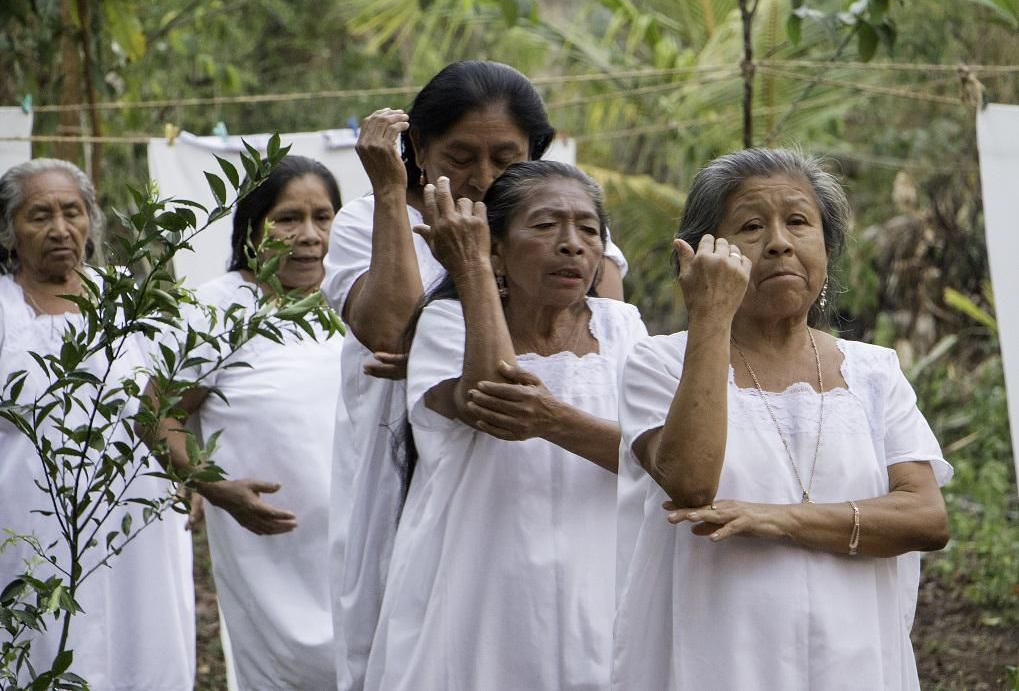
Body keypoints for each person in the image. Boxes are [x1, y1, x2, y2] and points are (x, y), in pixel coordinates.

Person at [322, 59, 630, 689]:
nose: (482, 178)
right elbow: (389, 326)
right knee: (410, 625)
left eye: (505, 156)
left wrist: (448, 352)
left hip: (557, 484)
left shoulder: (564, 228)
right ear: (418, 149)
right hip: (409, 463)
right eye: (460, 156)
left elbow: (600, 338)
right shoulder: (370, 219)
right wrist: (389, 192)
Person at [612, 148, 952, 690]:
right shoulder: (659, 363)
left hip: (856, 661)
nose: (778, 242)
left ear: (827, 246)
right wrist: (711, 316)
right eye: (751, 226)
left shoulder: (873, 371)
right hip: (718, 661)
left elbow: (926, 518)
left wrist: (782, 519)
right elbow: (693, 482)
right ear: (702, 253)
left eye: (798, 221)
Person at [362, 162, 645, 690]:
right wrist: (469, 269)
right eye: (545, 226)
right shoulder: (449, 323)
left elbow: (655, 458)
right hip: (479, 595)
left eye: (589, 230)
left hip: (598, 589)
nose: (572, 245)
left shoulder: (622, 328)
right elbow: (491, 401)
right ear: (496, 249)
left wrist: (556, 419)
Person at [0, 158, 195, 690]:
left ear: (91, 222)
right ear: (7, 231)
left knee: (134, 631)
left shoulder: (125, 301)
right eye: (39, 215)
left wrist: (195, 474)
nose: (60, 229)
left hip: (125, 521)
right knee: (23, 637)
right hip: (15, 521)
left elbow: (159, 403)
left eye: (73, 212)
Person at [152, 155, 343, 689]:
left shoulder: (358, 301)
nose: (308, 236)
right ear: (253, 226)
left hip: (363, 539)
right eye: (288, 218)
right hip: (270, 549)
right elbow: (159, 410)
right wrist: (213, 487)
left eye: (322, 217)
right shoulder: (218, 309)